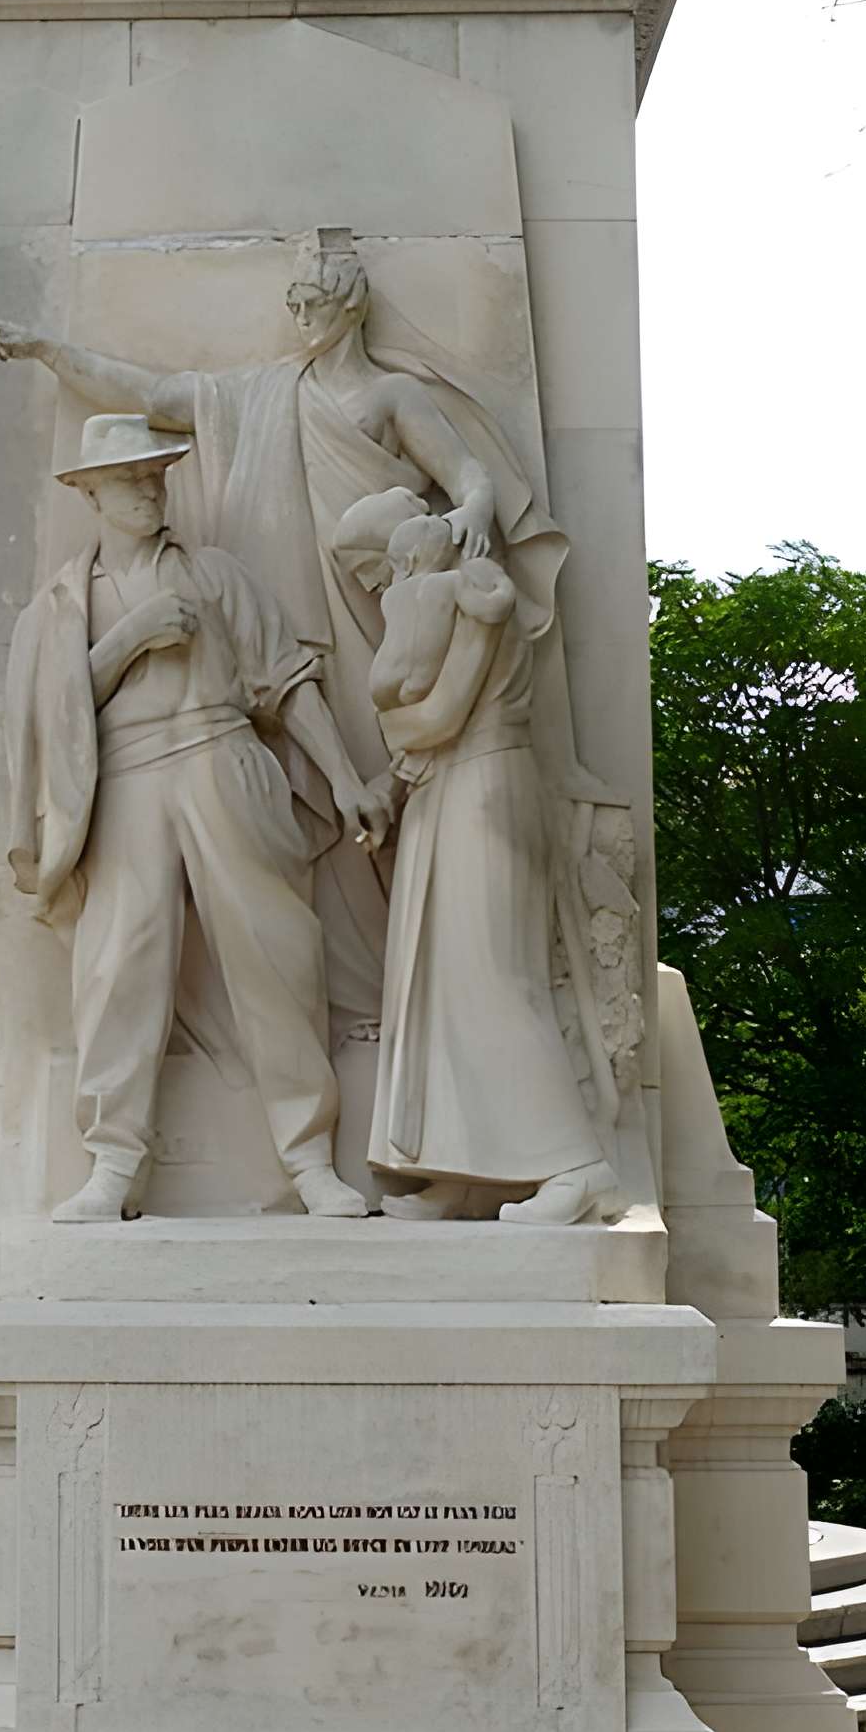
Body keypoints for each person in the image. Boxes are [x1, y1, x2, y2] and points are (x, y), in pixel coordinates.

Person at [0, 229, 565, 1032]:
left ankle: (418, 996)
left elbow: (467, 472)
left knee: (389, 795)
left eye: (313, 300)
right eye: (293, 301)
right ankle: (357, 1002)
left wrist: (471, 508)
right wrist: (52, 352)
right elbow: (154, 394)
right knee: (318, 821)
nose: (300, 315)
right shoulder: (258, 393)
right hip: (275, 623)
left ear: (351, 305)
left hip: (376, 620)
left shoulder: (391, 397)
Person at [7, 415, 393, 1222]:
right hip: (126, 779)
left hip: (223, 756)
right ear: (90, 493)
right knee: (118, 965)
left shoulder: (215, 574)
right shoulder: (61, 605)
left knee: (275, 951)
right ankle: (114, 1163)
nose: (150, 490)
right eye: (130, 479)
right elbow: (51, 712)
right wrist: (129, 639)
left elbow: (286, 682)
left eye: (156, 475)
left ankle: (309, 1157)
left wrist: (345, 779)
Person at [334, 489, 622, 1226]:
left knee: (493, 978)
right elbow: (427, 733)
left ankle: (578, 1166)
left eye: (370, 570)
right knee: (441, 987)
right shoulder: (449, 598)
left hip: (485, 789)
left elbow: (439, 716)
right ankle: (469, 1171)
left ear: (401, 551)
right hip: (450, 790)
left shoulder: (466, 597)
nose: (371, 588)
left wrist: (393, 728)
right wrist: (392, 780)